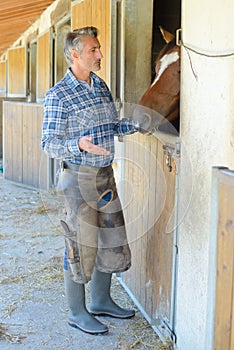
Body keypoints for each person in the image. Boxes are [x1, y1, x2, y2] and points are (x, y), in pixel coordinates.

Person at [41, 26, 136, 335]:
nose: (100, 55)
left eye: (99, 49)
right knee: (79, 246)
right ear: (75, 54)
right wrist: (77, 145)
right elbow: (48, 143)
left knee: (110, 239)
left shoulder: (100, 86)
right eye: (94, 50)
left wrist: (136, 124)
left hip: (105, 177)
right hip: (77, 178)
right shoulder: (58, 94)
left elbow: (112, 126)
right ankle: (76, 312)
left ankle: (101, 300)